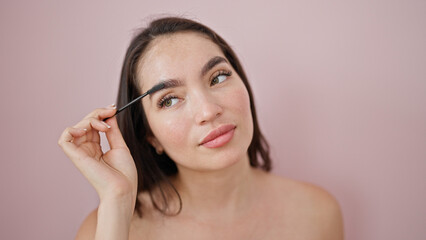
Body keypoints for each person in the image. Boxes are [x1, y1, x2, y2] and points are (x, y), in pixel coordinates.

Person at [58, 17, 344, 240]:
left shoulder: (317, 212)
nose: (208, 111)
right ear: (149, 135)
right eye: (169, 100)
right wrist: (117, 203)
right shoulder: (106, 228)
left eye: (218, 77)